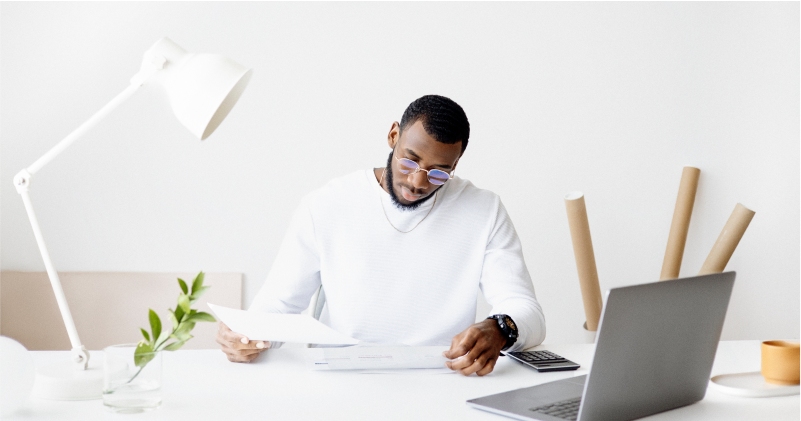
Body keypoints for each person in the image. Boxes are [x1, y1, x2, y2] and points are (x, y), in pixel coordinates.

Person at [216, 95, 546, 376]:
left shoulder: (483, 210)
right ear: (393, 136)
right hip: (341, 377)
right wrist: (247, 335)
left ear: (455, 165)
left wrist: (501, 328)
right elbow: (281, 303)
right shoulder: (328, 204)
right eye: (410, 160)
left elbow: (526, 309)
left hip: (441, 379)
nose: (418, 182)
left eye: (438, 172)